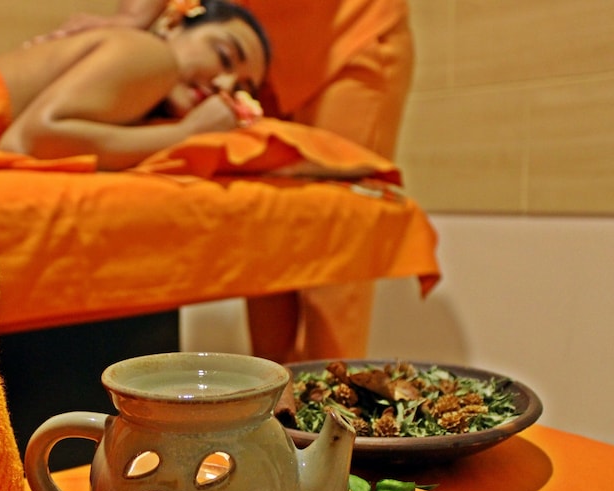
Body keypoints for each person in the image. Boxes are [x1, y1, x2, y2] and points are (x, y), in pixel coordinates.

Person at [46, 0, 416, 364]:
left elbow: (42, 134)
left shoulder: (178, 56)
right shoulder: (178, 57)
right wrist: (132, 20)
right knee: (265, 237)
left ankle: (334, 399)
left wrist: (134, 21)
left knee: (336, 240)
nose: (223, 86)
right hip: (248, 41)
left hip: (347, 35)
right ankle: (273, 397)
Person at [0, 0, 270, 171]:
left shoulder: (136, 99)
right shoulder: (154, 55)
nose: (224, 85)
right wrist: (188, 133)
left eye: (241, 89)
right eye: (223, 56)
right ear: (172, 24)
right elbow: (28, 141)